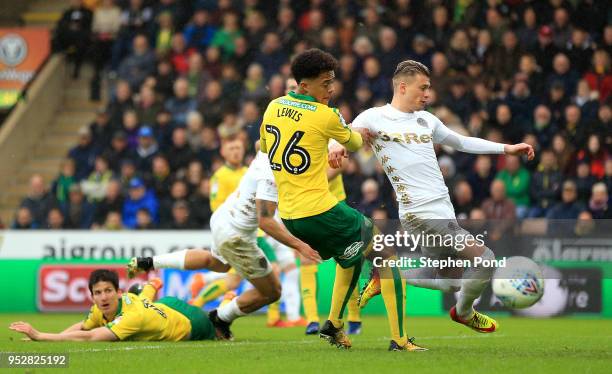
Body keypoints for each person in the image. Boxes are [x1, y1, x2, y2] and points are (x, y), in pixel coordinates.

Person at [332, 60, 534, 335]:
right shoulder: (373, 117)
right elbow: (344, 135)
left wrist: (506, 148)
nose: (428, 94)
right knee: (485, 259)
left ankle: (387, 274)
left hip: (442, 209)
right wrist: (337, 148)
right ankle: (464, 313)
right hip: (420, 211)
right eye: (423, 88)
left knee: (448, 279)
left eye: (429, 88)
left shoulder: (427, 120)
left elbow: (462, 142)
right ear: (402, 87)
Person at [259, 49, 420, 351]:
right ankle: (400, 340)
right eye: (324, 84)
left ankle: (333, 324)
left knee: (350, 258)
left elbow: (266, 147)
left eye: (332, 82)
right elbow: (356, 142)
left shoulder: (273, 106)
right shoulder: (327, 115)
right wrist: (350, 134)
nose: (330, 89)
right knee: (385, 255)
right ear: (304, 86)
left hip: (291, 215)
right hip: (319, 210)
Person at [128, 151, 321, 341]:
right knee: (272, 291)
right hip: (237, 235)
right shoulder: (272, 175)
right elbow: (265, 221)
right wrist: (300, 245)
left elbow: (258, 143)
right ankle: (220, 318)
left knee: (219, 263)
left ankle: (149, 262)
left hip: (224, 217)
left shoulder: (267, 149)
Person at [9, 269, 216, 341]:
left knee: (220, 329)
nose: (103, 297)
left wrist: (41, 336)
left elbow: (91, 337)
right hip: (161, 307)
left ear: (118, 292)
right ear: (92, 297)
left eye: (108, 291)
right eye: (97, 293)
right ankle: (152, 284)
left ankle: (226, 298)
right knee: (143, 296)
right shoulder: (100, 308)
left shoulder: (131, 316)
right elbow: (83, 327)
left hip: (188, 323)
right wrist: (56, 337)